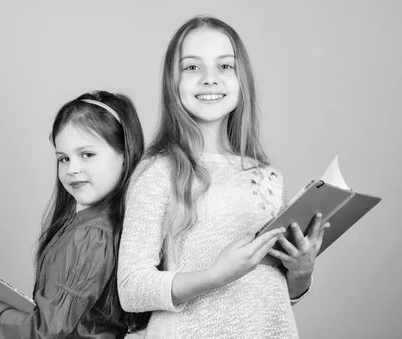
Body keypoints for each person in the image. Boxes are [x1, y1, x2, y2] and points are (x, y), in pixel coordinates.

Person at [117, 16, 330, 338]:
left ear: (242, 79)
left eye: (225, 66)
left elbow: (271, 292)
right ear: (171, 83)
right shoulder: (159, 171)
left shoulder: (269, 178)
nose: (210, 79)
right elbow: (131, 289)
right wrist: (216, 275)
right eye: (192, 67)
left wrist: (302, 272)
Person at [0, 90, 146, 338]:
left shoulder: (90, 233)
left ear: (125, 155)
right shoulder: (97, 224)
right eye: (63, 158)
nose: (72, 169)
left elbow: (45, 333)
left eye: (87, 154)